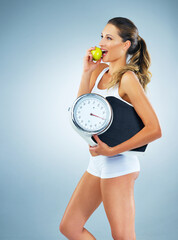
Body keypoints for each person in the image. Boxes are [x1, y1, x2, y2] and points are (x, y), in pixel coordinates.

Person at [59, 17, 162, 240]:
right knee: (70, 227)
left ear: (125, 45)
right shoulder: (98, 72)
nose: (102, 43)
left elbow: (154, 129)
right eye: (101, 37)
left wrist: (112, 151)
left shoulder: (127, 79)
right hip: (98, 161)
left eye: (109, 38)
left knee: (123, 237)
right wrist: (87, 72)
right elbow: (80, 113)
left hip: (119, 164)